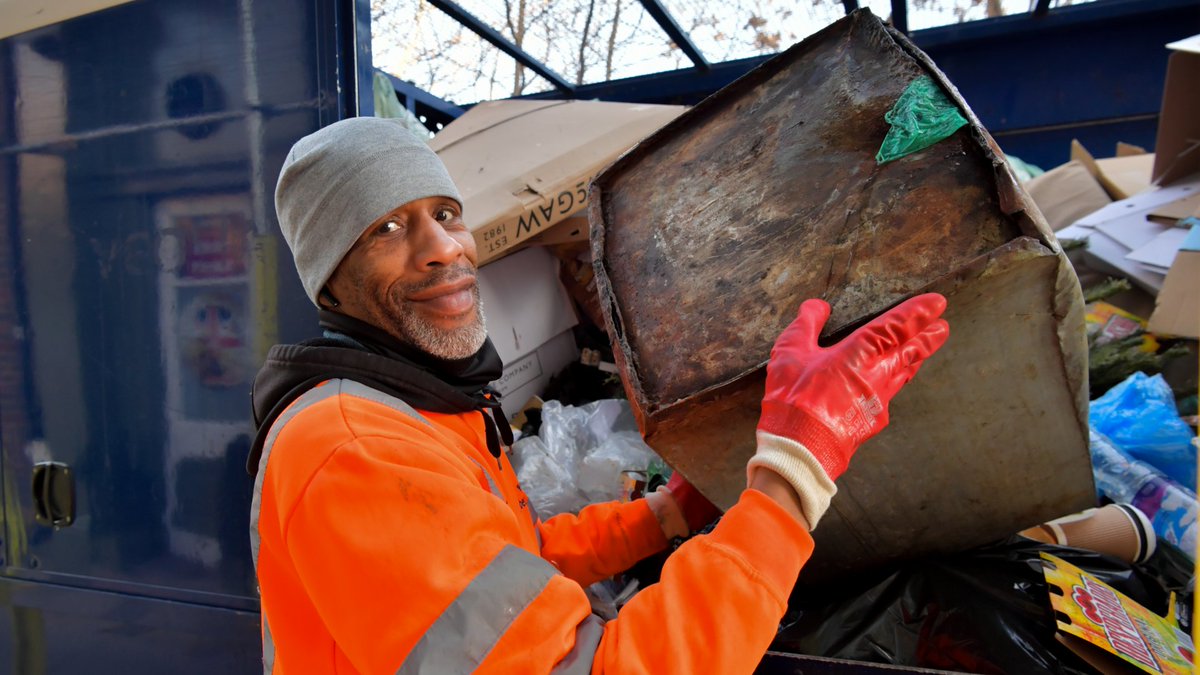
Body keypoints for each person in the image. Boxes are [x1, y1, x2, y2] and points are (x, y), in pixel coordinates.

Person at [248, 117, 949, 674]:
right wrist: (794, 471)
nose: (443, 249)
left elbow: (514, 561)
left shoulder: (425, 408)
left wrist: (666, 512)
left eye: (447, 213)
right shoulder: (355, 448)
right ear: (330, 281)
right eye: (388, 228)